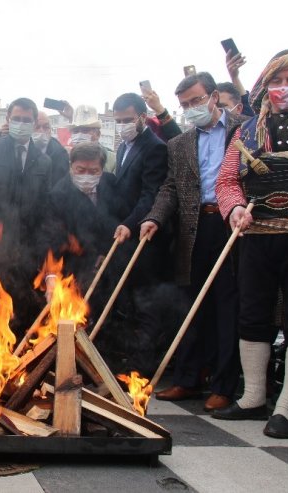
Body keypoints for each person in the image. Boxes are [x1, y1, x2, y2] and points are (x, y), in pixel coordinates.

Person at [141, 72, 249, 411]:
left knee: (227, 305)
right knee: (191, 303)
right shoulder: (180, 143)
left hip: (233, 223)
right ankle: (187, 379)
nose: (191, 109)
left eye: (197, 101)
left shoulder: (245, 129)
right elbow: (171, 187)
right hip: (194, 225)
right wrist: (154, 217)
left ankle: (224, 385)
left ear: (214, 96)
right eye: (185, 105)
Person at [212, 50, 288, 440]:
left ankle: (286, 406)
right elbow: (227, 180)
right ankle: (252, 397)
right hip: (256, 237)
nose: (285, 88)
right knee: (251, 314)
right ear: (266, 85)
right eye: (278, 81)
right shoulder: (246, 132)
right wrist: (234, 209)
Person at [0, 97, 55, 339]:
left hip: (27, 249)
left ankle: (18, 367)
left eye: (27, 120)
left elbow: (45, 209)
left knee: (22, 309)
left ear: (34, 123)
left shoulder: (44, 161)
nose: (21, 124)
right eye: (17, 119)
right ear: (8, 120)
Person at [110, 92, 169, 374]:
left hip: (145, 239)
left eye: (127, 119)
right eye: (118, 120)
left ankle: (141, 370)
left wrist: (130, 223)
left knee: (146, 306)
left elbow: (149, 195)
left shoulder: (153, 148)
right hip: (125, 237)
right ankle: (129, 362)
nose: (123, 125)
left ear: (142, 118)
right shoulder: (123, 147)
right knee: (129, 304)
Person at [39, 142, 121, 315]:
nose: (86, 176)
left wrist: (105, 252)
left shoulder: (111, 184)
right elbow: (52, 238)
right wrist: (52, 277)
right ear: (71, 167)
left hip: (108, 265)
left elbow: (117, 220)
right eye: (80, 170)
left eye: (93, 172)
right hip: (74, 268)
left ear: (102, 169)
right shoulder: (58, 195)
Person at [67, 104, 117, 173]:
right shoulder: (66, 159)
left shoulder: (112, 160)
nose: (79, 135)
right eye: (76, 131)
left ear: (98, 134)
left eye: (85, 131)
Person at [33, 111, 70, 181]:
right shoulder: (21, 148)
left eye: (46, 127)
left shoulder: (60, 153)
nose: (41, 131)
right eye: (37, 127)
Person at [225, 49, 256, 117]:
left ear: (239, 108)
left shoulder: (246, 125)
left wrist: (234, 77)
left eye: (224, 106)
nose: (219, 111)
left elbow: (247, 106)